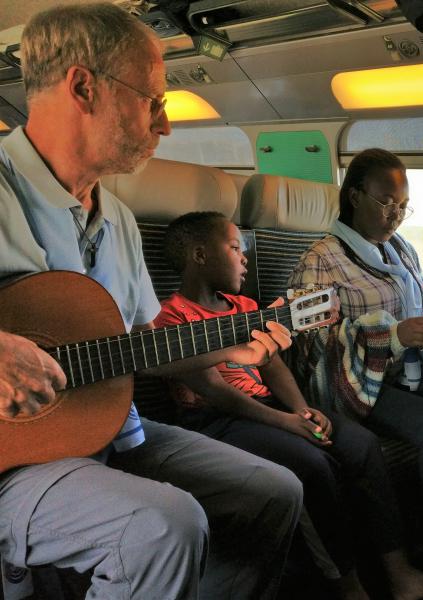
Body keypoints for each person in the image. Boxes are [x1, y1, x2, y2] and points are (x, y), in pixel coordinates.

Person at [0, 5, 303, 599]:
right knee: (165, 527)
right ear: (83, 87)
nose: (164, 126)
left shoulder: (117, 218)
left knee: (276, 491)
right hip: (16, 463)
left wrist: (225, 345)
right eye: (153, 101)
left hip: (112, 431)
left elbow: (142, 348)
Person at [154, 210, 423, 600]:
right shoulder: (169, 316)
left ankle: (400, 575)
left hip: (270, 405)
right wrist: (283, 421)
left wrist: (301, 410)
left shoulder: (244, 306)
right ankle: (348, 585)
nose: (245, 257)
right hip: (217, 419)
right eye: (234, 248)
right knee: (312, 464)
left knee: (361, 446)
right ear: (200, 255)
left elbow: (272, 364)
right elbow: (211, 388)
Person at [287, 148, 423, 563]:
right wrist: (393, 335)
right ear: (355, 196)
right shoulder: (320, 260)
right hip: (352, 381)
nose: (395, 215)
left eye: (404, 207)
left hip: (404, 371)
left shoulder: (401, 249)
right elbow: (310, 346)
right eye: (386, 203)